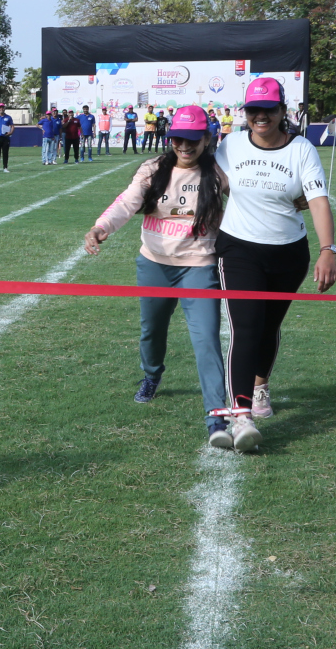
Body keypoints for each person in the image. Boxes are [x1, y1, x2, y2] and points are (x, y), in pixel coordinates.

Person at [84, 104, 232, 448]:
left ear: (206, 139)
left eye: (192, 139)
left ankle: (216, 416)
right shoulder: (153, 168)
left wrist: (290, 201)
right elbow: (127, 202)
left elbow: (251, 200)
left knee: (206, 339)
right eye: (178, 139)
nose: (185, 146)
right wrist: (101, 227)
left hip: (200, 266)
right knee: (152, 331)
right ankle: (152, 376)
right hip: (154, 265)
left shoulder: (217, 171)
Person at [212, 77, 336, 452]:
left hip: (288, 254)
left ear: (283, 111)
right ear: (246, 113)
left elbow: (318, 200)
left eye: (268, 109)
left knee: (268, 326)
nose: (260, 116)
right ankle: (241, 415)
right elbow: (215, 180)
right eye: (254, 109)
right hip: (239, 249)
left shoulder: (302, 149)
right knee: (245, 328)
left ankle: (260, 386)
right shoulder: (230, 144)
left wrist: (328, 249)